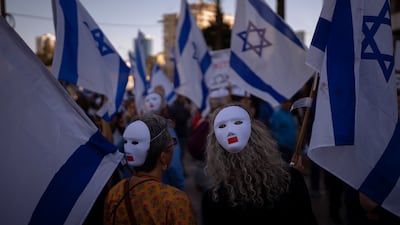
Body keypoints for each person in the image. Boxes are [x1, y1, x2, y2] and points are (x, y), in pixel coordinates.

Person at [201, 103, 318, 225]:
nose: (230, 131)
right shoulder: (290, 179)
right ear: (258, 135)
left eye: (237, 123)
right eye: (223, 126)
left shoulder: (213, 198)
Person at [103, 113, 198, 225]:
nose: (173, 147)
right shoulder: (175, 201)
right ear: (163, 157)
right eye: (171, 143)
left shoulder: (115, 192)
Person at [143, 91, 185, 190]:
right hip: (163, 189)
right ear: (164, 109)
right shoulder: (168, 131)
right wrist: (180, 186)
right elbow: (174, 166)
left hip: (138, 190)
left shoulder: (134, 128)